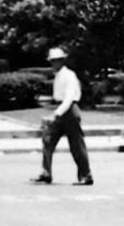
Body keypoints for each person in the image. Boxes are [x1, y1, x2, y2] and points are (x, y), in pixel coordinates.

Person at [31, 47, 93, 186]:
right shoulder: (58, 75)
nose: (54, 64)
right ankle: (46, 173)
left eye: (56, 61)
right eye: (52, 61)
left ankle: (86, 175)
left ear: (62, 61)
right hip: (61, 108)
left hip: (69, 110)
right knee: (48, 139)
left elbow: (69, 98)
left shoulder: (69, 75)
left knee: (76, 144)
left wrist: (56, 114)